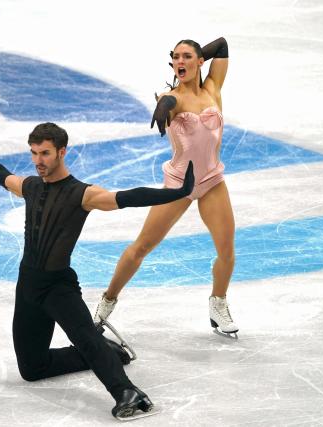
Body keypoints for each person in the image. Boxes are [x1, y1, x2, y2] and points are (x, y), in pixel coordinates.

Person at [0, 118, 194, 419]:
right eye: (34, 153)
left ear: (62, 152)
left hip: (58, 286)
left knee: (86, 337)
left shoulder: (82, 194)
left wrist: (178, 192)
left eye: (45, 154)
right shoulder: (30, 186)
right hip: (27, 285)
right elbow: (0, 175)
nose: (38, 160)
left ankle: (128, 392)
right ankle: (110, 352)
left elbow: (129, 197)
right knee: (31, 369)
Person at [93, 37, 239, 335]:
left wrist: (195, 56)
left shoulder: (213, 88)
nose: (179, 62)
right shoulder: (170, 96)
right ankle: (106, 302)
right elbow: (168, 102)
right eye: (175, 58)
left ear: (201, 61)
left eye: (186, 57)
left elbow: (222, 45)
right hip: (178, 186)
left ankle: (218, 303)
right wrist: (164, 106)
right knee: (142, 246)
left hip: (212, 181)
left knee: (227, 251)